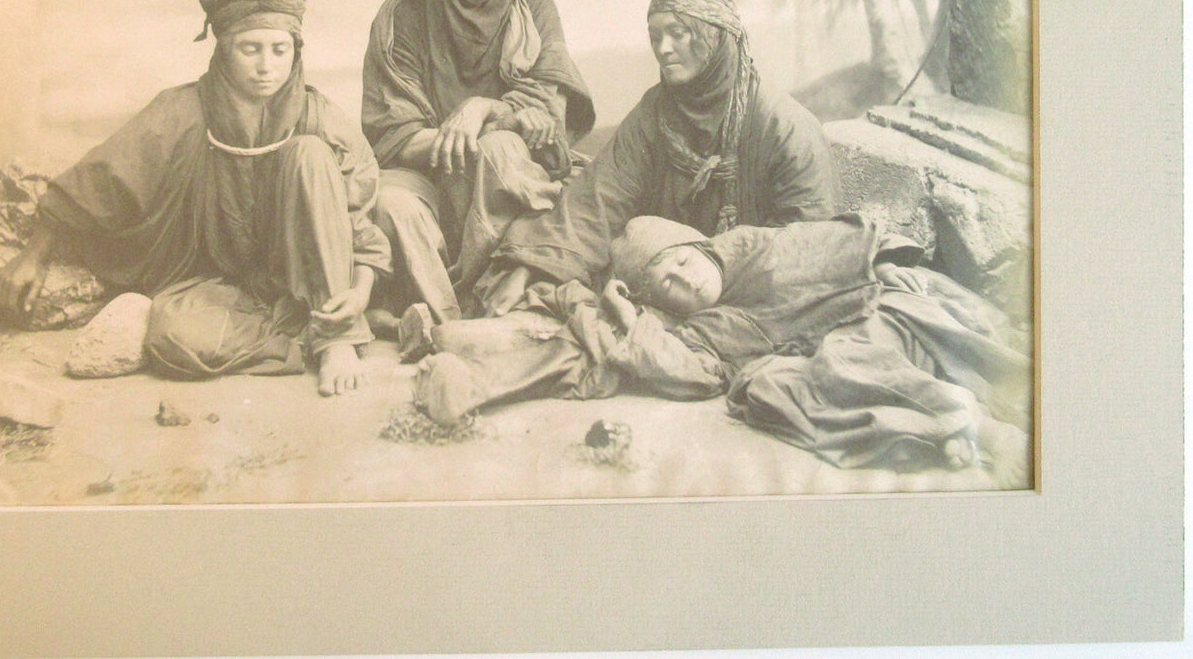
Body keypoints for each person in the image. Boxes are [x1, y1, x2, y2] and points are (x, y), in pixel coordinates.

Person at [0, 0, 392, 396]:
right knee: (176, 345)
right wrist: (33, 255)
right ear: (222, 49)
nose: (266, 66)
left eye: (280, 49)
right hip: (218, 280)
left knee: (309, 154)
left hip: (305, 269)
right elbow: (103, 177)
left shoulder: (317, 115)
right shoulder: (183, 110)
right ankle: (304, 329)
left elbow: (357, 222)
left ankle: (337, 340)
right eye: (249, 48)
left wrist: (360, 293)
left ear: (296, 52)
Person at [412, 214, 1031, 480]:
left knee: (847, 359)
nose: (686, 279)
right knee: (775, 387)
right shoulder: (699, 326)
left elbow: (840, 247)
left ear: (697, 243)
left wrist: (880, 265)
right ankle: (940, 424)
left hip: (879, 308)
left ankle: (962, 414)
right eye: (669, 286)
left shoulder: (751, 247)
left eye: (681, 261)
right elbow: (691, 371)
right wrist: (627, 312)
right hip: (826, 346)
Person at [471, 0, 841, 316]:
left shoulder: (784, 128)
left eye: (677, 33)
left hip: (753, 293)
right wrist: (534, 268)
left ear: (715, 35)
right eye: (655, 36)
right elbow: (601, 199)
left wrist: (715, 267)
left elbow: (808, 246)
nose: (663, 49)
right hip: (667, 286)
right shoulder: (656, 112)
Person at [361, 0, 595, 329]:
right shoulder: (402, 17)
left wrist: (480, 110)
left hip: (507, 180)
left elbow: (549, 114)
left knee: (501, 151)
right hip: (427, 177)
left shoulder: (535, 9)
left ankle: (474, 298)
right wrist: (470, 136)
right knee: (389, 203)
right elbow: (395, 134)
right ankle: (445, 320)